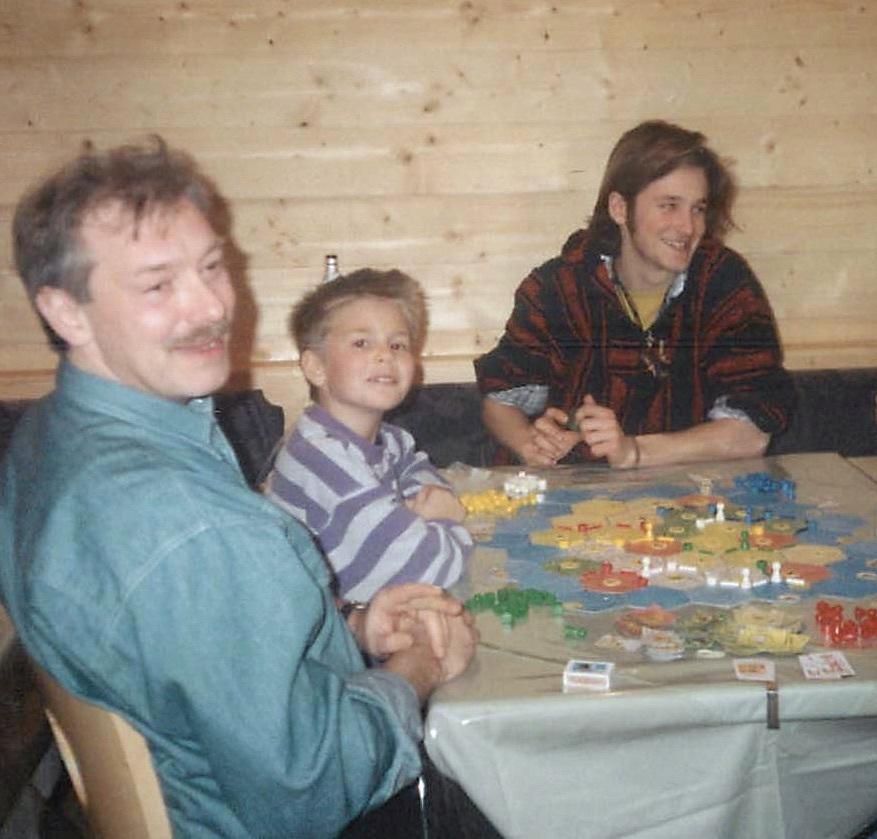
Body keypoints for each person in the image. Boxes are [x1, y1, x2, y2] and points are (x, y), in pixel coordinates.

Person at [0, 138, 478, 838]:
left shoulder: (46, 437)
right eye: (159, 284)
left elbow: (200, 651)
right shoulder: (195, 527)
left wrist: (352, 628)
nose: (210, 306)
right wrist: (416, 668)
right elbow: (317, 783)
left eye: (212, 267)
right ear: (67, 312)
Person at [475, 120, 796, 469]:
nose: (688, 227)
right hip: (569, 495)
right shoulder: (558, 287)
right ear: (619, 208)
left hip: (689, 499)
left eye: (698, 209)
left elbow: (752, 432)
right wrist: (530, 444)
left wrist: (635, 452)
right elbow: (501, 402)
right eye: (669, 205)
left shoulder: (723, 284)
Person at [266, 268, 473, 604]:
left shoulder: (389, 440)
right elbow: (429, 567)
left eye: (398, 344)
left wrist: (415, 516)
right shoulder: (323, 460)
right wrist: (446, 518)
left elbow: (422, 475)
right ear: (316, 367)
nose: (384, 355)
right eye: (362, 343)